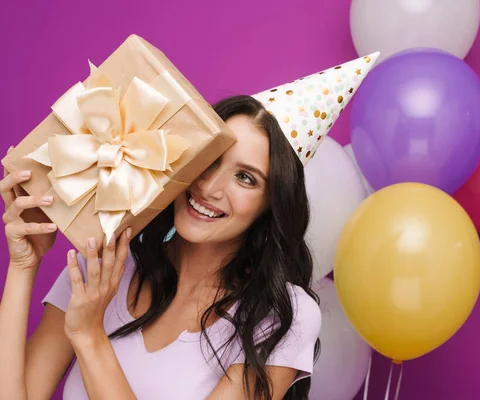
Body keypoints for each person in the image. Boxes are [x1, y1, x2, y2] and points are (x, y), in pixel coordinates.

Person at [0, 52, 378, 400]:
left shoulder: (281, 316)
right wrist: (23, 266)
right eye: (210, 160)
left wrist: (90, 336)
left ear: (271, 204)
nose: (210, 188)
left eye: (246, 178)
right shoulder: (104, 266)